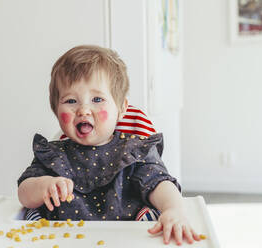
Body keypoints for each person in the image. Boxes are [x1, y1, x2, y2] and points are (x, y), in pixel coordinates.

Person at [17, 45, 201, 245]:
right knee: (31, 215)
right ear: (55, 109)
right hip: (63, 238)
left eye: (97, 99)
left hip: (127, 239)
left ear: (121, 109)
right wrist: (43, 186)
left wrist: (173, 209)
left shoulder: (133, 151)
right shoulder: (53, 155)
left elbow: (159, 183)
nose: (84, 110)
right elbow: (24, 193)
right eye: (71, 101)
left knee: (153, 215)